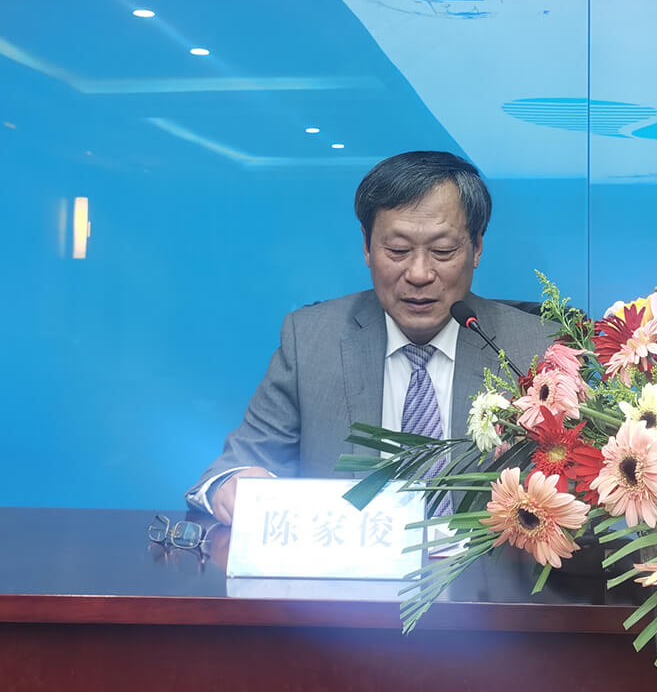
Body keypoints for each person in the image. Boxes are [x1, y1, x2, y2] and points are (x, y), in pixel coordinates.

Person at [187, 151, 553, 524]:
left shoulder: (539, 352)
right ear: (366, 246)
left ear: (476, 247)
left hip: (485, 563)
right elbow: (231, 468)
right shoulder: (312, 341)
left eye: (442, 251)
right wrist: (230, 484)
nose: (419, 274)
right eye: (398, 251)